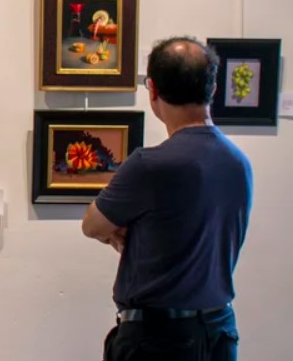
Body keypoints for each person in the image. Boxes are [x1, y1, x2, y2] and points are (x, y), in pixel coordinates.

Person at [81, 36, 253, 361]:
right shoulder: (238, 163)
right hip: (220, 331)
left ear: (153, 90)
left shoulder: (151, 165)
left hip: (160, 339)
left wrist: (116, 234)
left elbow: (92, 225)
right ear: (213, 89)